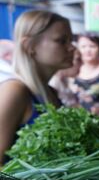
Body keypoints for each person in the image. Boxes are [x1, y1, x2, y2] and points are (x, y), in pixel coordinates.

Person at [0, 10, 75, 164]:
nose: (72, 48)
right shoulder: (14, 91)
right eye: (61, 41)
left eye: (70, 40)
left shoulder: (51, 92)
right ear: (29, 46)